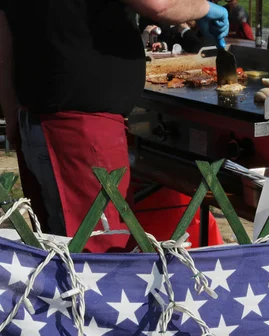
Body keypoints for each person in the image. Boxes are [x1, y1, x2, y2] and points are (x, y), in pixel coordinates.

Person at [0, 0, 229, 251]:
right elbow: (159, 5)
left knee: (57, 251)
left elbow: (5, 35)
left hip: (37, 121)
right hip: (81, 130)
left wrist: (13, 116)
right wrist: (206, 8)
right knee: (100, 255)